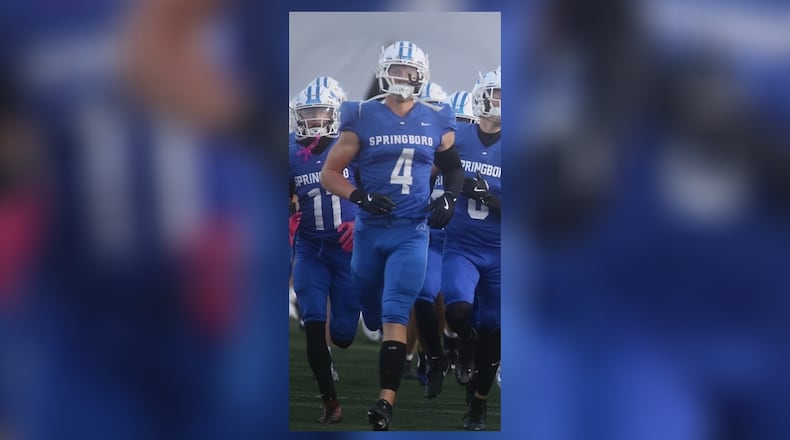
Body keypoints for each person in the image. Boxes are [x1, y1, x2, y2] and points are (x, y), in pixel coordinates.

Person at [320, 40, 464, 431]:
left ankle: (385, 403)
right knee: (370, 305)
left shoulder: (436, 118)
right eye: (397, 70)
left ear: (421, 76)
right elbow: (329, 173)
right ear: (384, 72)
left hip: (411, 231)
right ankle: (382, 327)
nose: (403, 78)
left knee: (395, 311)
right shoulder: (362, 115)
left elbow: (453, 169)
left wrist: (449, 198)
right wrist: (359, 195)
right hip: (370, 232)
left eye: (409, 71)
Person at [288, 77, 359, 424]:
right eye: (309, 112)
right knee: (313, 321)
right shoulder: (289, 149)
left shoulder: (352, 144)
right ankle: (330, 402)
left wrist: (359, 222)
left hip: (347, 250)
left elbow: (375, 190)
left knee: (344, 335)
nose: (314, 119)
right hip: (310, 248)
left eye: (320, 112)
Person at [441, 67, 501, 430]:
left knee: (495, 331)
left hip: (504, 253)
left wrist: (489, 199)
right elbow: (430, 173)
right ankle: (463, 341)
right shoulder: (457, 137)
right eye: (494, 94)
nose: (499, 103)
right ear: (481, 95)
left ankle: (478, 405)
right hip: (461, 244)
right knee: (459, 312)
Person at [411, 87, 480, 399]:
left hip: (468, 242)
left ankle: (462, 344)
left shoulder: (485, 157)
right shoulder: (433, 150)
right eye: (457, 124)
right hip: (432, 239)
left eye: (468, 123)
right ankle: (435, 356)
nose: (462, 131)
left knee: (467, 308)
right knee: (423, 295)